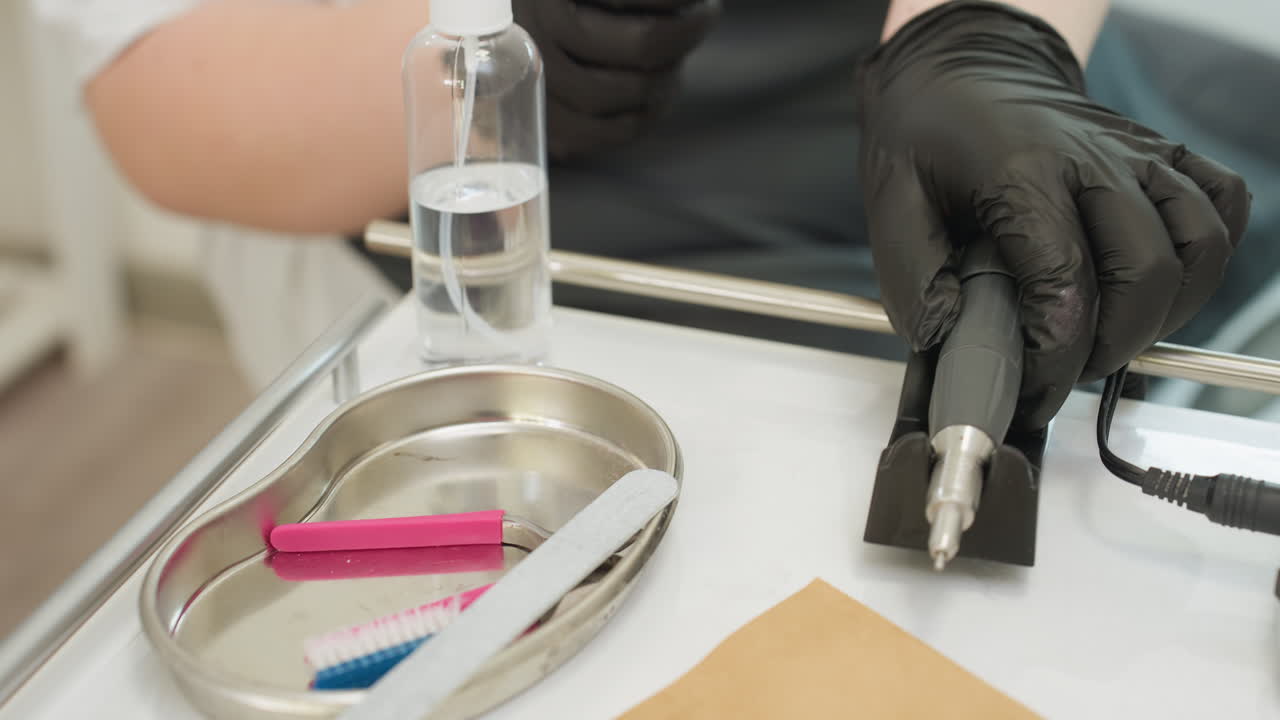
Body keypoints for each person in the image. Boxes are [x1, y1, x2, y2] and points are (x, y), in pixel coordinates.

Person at [37, 0, 1268, 429]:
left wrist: (981, 41)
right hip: (564, 238)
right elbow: (160, 87)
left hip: (975, 101)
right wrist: (492, 52)